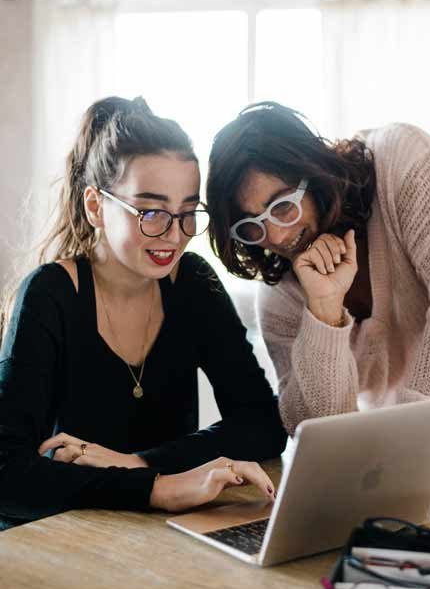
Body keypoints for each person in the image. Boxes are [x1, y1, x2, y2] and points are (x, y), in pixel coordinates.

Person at [0, 96, 285, 529]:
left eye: (188, 213)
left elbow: (264, 424)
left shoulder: (192, 282)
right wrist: (160, 487)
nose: (173, 235)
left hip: (160, 535)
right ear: (96, 206)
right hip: (61, 538)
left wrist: (138, 462)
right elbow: (7, 474)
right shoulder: (50, 294)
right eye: (151, 212)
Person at [206, 101, 430, 445]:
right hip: (395, 458)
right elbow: (315, 429)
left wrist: (411, 442)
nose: (275, 237)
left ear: (314, 174)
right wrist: (324, 310)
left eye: (283, 206)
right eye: (251, 226)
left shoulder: (404, 162)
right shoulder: (279, 294)